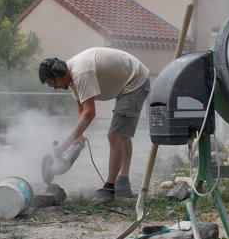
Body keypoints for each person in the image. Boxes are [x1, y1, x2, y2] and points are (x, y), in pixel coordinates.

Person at [38, 47, 150, 204]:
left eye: (51, 83)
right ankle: (123, 183)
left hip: (135, 81)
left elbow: (90, 113)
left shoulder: (81, 73)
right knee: (121, 134)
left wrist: (65, 144)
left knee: (115, 135)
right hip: (126, 82)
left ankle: (109, 189)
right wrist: (79, 137)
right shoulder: (72, 78)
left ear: (59, 72)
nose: (54, 88)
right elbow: (82, 108)